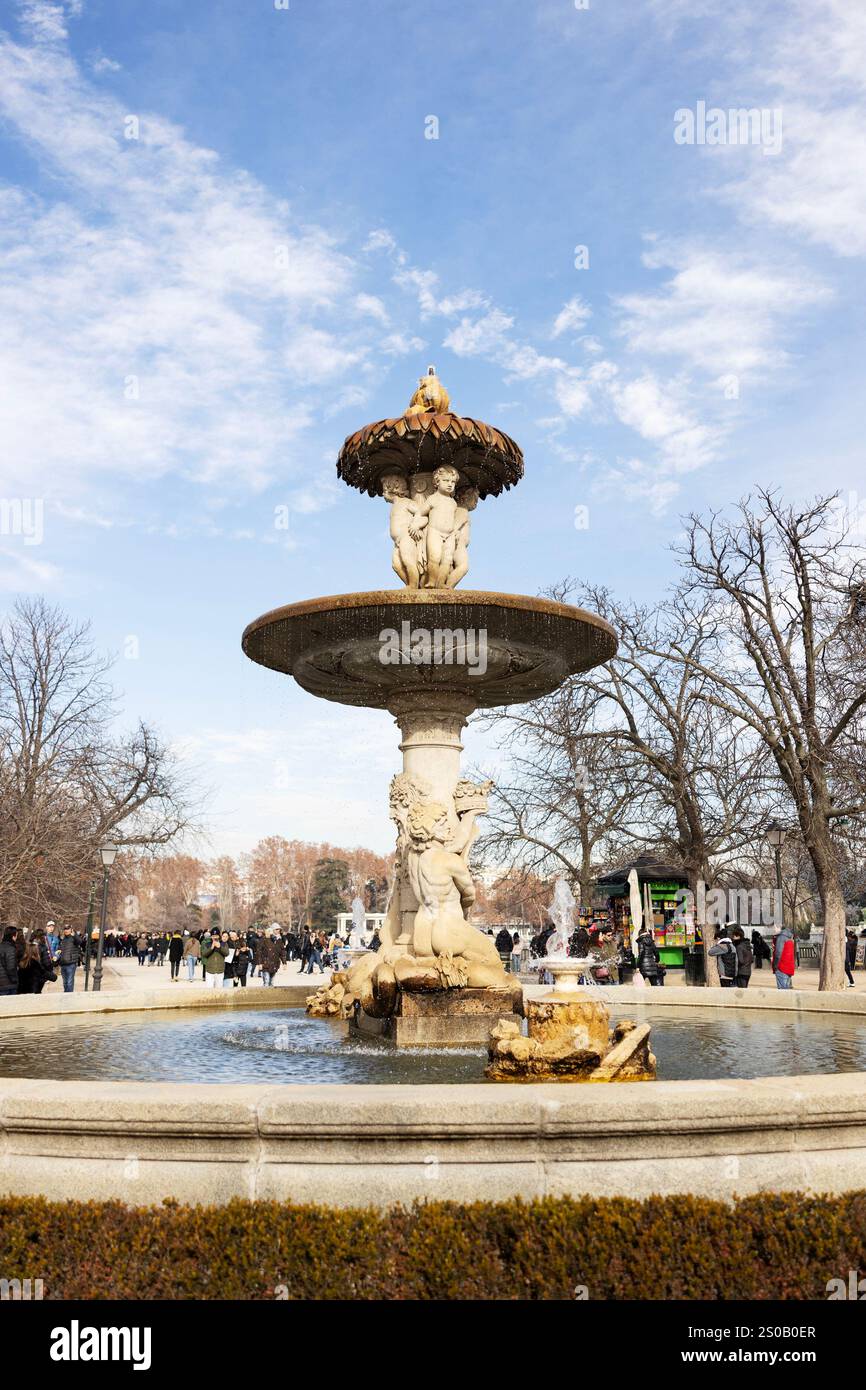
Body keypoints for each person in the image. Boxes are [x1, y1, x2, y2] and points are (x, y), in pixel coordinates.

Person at [771, 923, 796, 990]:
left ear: (779, 928)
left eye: (774, 927)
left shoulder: (781, 937)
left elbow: (778, 953)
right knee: (787, 990)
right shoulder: (789, 936)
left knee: (782, 991)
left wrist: (775, 966)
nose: (773, 929)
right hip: (789, 967)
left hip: (781, 967)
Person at [58, 926, 80, 992]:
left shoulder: (74, 938)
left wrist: (75, 935)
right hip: (63, 963)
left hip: (71, 964)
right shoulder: (63, 939)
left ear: (71, 930)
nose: (66, 930)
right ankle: (66, 994)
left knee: (69, 982)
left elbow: (79, 942)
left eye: (68, 929)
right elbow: (59, 949)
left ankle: (69, 995)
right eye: (65, 929)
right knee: (65, 983)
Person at [0, 927, 19, 996]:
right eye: (16, 935)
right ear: (13, 936)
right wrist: (14, 980)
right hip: (8, 985)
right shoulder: (11, 948)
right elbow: (11, 967)